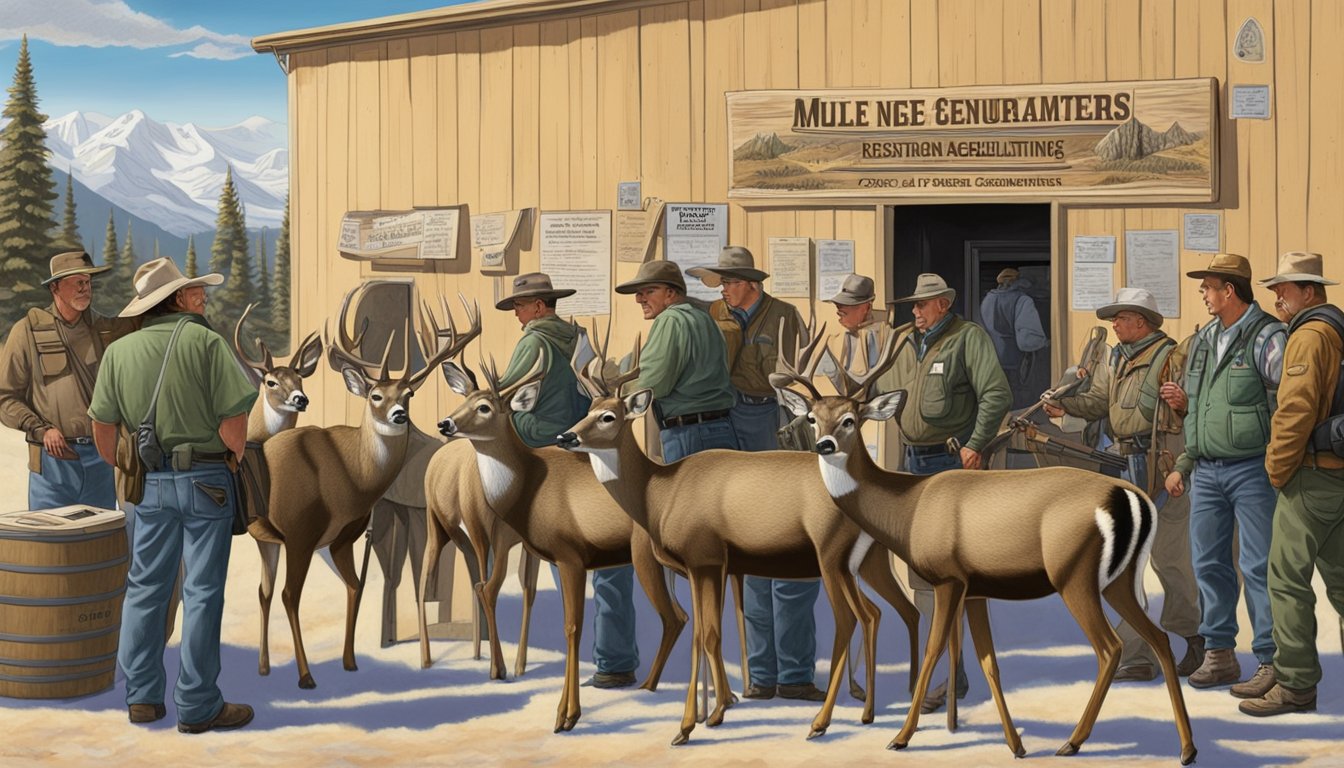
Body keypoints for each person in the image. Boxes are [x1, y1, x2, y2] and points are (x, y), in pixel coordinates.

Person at [88, 257, 257, 733]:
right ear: (177, 300)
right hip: (206, 482)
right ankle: (199, 704)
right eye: (195, 291)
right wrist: (232, 460)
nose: (202, 296)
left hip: (149, 485)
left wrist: (126, 464)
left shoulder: (119, 352)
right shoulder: (206, 343)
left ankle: (141, 696)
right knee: (202, 593)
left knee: (145, 588)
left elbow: (102, 427)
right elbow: (234, 424)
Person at [1043, 287, 1203, 681]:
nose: (1113, 324)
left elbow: (1198, 407)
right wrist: (1066, 406)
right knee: (1126, 564)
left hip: (1163, 467)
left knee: (1170, 560)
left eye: (1120, 317)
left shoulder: (1172, 357)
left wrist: (1184, 409)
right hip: (1123, 464)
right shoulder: (1117, 358)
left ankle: (1194, 640)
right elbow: (1099, 401)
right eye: (1113, 317)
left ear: (1141, 322)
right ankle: (1136, 655)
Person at [688, 246, 823, 702]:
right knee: (747, 557)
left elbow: (799, 382)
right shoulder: (712, 314)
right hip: (727, 424)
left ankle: (797, 673)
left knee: (790, 552)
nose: (722, 287)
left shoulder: (785, 316)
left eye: (728, 279)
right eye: (721, 280)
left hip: (776, 424)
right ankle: (761, 675)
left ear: (750, 282)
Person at [876, 272, 1011, 712]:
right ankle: (950, 674)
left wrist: (975, 444)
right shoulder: (899, 341)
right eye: (912, 304)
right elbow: (881, 397)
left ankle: (950, 676)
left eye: (922, 304)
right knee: (922, 575)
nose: (914, 311)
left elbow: (996, 393)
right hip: (912, 466)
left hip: (951, 465)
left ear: (945, 304)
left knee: (951, 575)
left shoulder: (966, 338)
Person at [495, 273, 635, 688]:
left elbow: (506, 397)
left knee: (564, 556)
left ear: (539, 306)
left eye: (520, 307)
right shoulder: (581, 339)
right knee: (611, 556)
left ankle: (572, 656)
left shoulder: (532, 341)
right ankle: (616, 660)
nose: (517, 315)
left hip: (543, 460)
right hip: (586, 451)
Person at [1161, 252, 1286, 696]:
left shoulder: (1269, 336)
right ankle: (1220, 654)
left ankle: (1272, 659)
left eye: (1208, 287)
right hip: (1206, 473)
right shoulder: (1204, 339)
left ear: (1229, 291)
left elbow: (1289, 402)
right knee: (1208, 565)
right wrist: (1184, 463)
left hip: (1254, 470)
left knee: (1258, 565)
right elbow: (1196, 411)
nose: (1203, 295)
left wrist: (1280, 460)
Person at [1240, 252, 1343, 716]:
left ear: (1310, 291)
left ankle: (1297, 685)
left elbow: (1295, 411)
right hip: (1338, 474)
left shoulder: (1308, 335)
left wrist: (1277, 469)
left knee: (1284, 582)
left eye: (1286, 288)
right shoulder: (1338, 328)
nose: (1277, 296)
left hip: (1312, 475)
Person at [0, 251, 136, 510]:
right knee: (50, 544)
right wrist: (41, 429)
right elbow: (5, 398)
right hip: (52, 461)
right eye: (78, 282)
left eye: (88, 282)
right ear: (55, 287)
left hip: (101, 458)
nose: (86, 289)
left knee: (99, 542)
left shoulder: (105, 330)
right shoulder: (26, 331)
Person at [615, 260, 737, 461]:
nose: (639, 299)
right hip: (721, 429)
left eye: (648, 291)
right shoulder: (704, 318)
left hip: (688, 435)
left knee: (684, 493)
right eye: (638, 293)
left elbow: (654, 386)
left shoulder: (670, 320)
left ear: (670, 293)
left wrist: (619, 391)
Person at [979, 267, 1049, 409]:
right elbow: (1026, 342)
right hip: (1015, 366)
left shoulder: (988, 299)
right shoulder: (1023, 300)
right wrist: (1045, 343)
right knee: (1018, 409)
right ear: (1018, 281)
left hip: (990, 365)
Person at [824, 273, 891, 379]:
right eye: (838, 305)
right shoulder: (834, 338)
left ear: (867, 307)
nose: (839, 310)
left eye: (847, 304)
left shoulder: (878, 336)